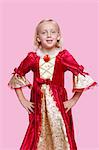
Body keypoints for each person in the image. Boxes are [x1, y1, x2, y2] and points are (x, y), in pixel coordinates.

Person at [8, 19, 97, 150]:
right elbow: (18, 76)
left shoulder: (63, 56)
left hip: (58, 104)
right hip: (39, 103)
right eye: (44, 32)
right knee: (38, 130)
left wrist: (73, 100)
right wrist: (23, 101)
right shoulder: (33, 58)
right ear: (38, 38)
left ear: (58, 36)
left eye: (53, 32)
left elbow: (80, 75)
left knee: (60, 129)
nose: (49, 35)